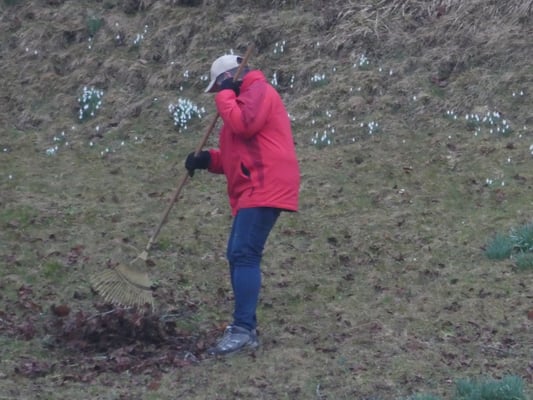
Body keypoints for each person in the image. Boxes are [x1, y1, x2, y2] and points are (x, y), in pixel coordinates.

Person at [185, 54, 300, 356]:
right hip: (254, 185)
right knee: (237, 254)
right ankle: (244, 327)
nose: (218, 93)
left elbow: (244, 125)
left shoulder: (258, 91)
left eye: (219, 86)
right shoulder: (241, 102)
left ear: (229, 78)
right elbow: (236, 157)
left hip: (265, 183)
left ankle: (243, 330)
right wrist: (207, 160)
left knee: (244, 254)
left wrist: (225, 95)